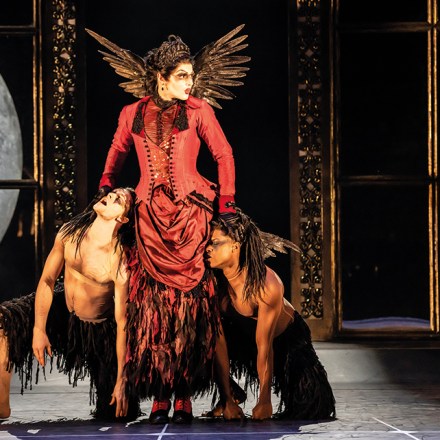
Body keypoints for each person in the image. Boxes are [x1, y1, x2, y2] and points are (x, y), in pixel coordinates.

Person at [86, 26, 250, 424]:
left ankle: (184, 395)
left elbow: (224, 154)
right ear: (161, 78)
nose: (190, 82)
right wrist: (106, 181)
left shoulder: (199, 111)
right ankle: (160, 394)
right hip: (149, 219)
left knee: (188, 311)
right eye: (182, 76)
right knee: (153, 310)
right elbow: (117, 150)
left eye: (191, 75)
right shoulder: (132, 113)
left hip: (191, 216)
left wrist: (226, 202)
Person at [0, 188, 139, 421]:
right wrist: (39, 329)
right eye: (112, 193)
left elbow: (122, 321)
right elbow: (47, 280)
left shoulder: (118, 261)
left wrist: (121, 381)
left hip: (99, 327)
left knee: (117, 412)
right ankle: (1, 405)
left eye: (118, 200)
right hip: (63, 311)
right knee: (3, 320)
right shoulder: (70, 232)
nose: (110, 196)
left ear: (122, 219)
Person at [204, 209, 336, 420]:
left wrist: (264, 401)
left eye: (216, 243)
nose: (208, 249)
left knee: (312, 405)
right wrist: (227, 398)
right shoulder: (214, 285)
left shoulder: (267, 285)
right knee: (196, 342)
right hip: (243, 336)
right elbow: (217, 342)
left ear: (236, 245)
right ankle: (232, 395)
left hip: (286, 341)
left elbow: (265, 348)